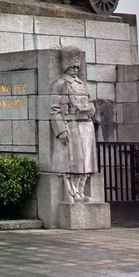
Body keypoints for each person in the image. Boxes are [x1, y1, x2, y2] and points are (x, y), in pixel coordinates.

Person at [50, 46, 98, 201]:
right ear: (66, 67)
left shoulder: (81, 84)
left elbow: (90, 102)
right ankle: (73, 191)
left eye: (77, 67)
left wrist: (90, 109)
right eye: (72, 67)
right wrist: (61, 130)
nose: (75, 70)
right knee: (74, 163)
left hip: (86, 126)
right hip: (71, 125)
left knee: (87, 163)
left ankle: (82, 191)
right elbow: (54, 109)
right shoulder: (61, 84)